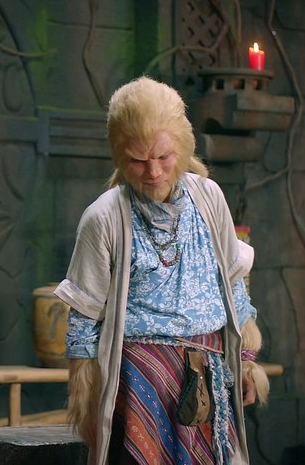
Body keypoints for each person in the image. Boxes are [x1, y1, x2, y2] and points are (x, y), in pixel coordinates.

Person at [54, 77, 270, 465]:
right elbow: (84, 318)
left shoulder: (209, 198)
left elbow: (231, 283)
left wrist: (247, 360)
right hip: (140, 380)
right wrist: (88, 401)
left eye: (163, 157)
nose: (152, 172)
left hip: (207, 372)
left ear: (183, 148)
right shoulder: (104, 218)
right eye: (138, 161)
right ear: (120, 156)